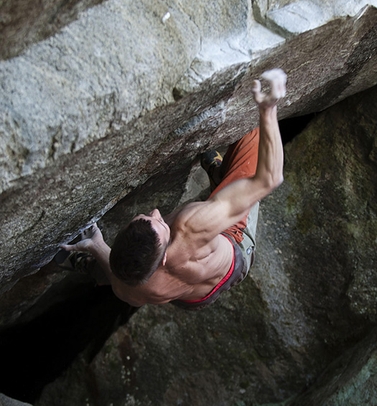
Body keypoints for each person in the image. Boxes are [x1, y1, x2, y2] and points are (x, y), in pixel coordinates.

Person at [59, 68, 287, 309]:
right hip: (233, 254)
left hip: (193, 299)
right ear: (164, 258)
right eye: (158, 222)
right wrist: (268, 109)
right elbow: (268, 179)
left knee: (125, 272)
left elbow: (120, 285)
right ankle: (220, 176)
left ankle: (91, 266)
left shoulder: (137, 289)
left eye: (146, 216)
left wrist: (96, 245)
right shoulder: (192, 227)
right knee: (255, 133)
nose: (156, 212)